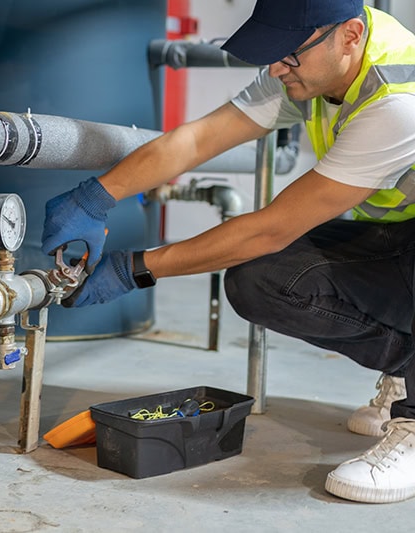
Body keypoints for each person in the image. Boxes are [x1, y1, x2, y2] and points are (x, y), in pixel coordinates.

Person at [41, 0, 415, 504]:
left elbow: (270, 229)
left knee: (261, 247)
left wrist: (136, 269)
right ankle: (407, 366)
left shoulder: (398, 100)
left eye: (289, 56)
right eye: (272, 54)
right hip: (399, 233)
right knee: (260, 277)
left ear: (349, 35)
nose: (277, 68)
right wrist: (97, 196)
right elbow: (197, 140)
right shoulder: (313, 64)